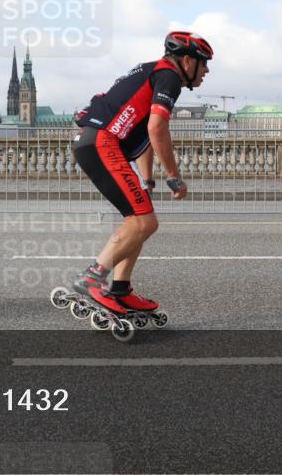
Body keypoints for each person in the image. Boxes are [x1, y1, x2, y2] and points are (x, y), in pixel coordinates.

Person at [71, 30, 213, 316]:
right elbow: (157, 128)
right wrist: (174, 176)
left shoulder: (153, 72)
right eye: (204, 62)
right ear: (187, 61)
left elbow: (145, 135)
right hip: (103, 143)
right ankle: (92, 279)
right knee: (145, 223)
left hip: (98, 142)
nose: (207, 70)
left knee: (139, 220)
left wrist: (146, 180)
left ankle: (120, 290)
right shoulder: (170, 78)